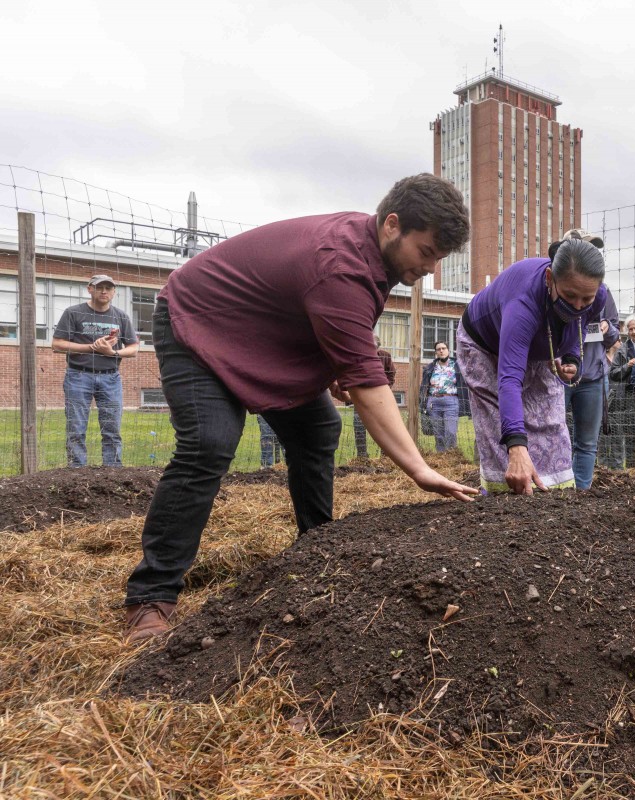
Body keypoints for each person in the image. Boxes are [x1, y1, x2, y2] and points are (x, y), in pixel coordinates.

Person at [123, 174, 477, 643]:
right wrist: (418, 468)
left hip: (259, 338)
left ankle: (317, 549)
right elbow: (368, 386)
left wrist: (336, 367)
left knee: (316, 432)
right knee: (209, 444)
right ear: (392, 225)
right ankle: (151, 595)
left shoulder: (372, 253)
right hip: (198, 324)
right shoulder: (341, 263)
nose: (431, 267)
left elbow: (320, 322)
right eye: (428, 251)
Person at [458, 232, 608, 494]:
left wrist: (572, 357)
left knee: (549, 421)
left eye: (587, 299)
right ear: (550, 279)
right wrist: (516, 446)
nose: (577, 305)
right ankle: (501, 502)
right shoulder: (522, 304)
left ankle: (554, 495)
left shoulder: (597, 295)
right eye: (570, 295)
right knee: (500, 430)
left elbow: (579, 324)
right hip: (486, 346)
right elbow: (509, 379)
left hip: (541, 346)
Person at [51, 274, 140, 467]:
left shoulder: (121, 316)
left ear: (114, 292)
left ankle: (112, 471)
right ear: (89, 289)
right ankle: (76, 470)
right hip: (78, 376)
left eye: (109, 288)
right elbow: (57, 344)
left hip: (110, 378)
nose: (104, 291)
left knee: (112, 428)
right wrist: (91, 347)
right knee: (76, 427)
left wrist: (112, 352)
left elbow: (133, 348)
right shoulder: (73, 313)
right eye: (100, 287)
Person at [564, 287, 619, 489]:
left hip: (593, 377)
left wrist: (607, 328)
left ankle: (580, 494)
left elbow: (614, 335)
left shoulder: (604, 292)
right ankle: (550, 492)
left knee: (587, 443)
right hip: (560, 375)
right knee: (551, 436)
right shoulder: (562, 286)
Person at [600, 317, 635, 469]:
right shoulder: (623, 350)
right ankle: (627, 467)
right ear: (627, 331)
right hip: (627, 396)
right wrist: (627, 367)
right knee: (626, 432)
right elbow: (613, 374)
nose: (634, 332)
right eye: (630, 329)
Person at [419, 341, 466, 454]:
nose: (441, 351)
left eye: (443, 348)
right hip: (433, 403)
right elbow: (424, 386)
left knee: (450, 432)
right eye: (438, 349)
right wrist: (422, 402)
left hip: (451, 401)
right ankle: (441, 457)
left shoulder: (457, 366)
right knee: (438, 434)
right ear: (436, 352)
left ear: (448, 350)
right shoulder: (430, 367)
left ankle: (451, 455)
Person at [353, 338, 397, 459]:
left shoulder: (385, 356)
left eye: (374, 347)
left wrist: (386, 389)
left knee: (384, 426)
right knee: (359, 426)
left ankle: (385, 455)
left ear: (378, 347)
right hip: (361, 397)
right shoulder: (358, 355)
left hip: (380, 398)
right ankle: (362, 456)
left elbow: (391, 373)